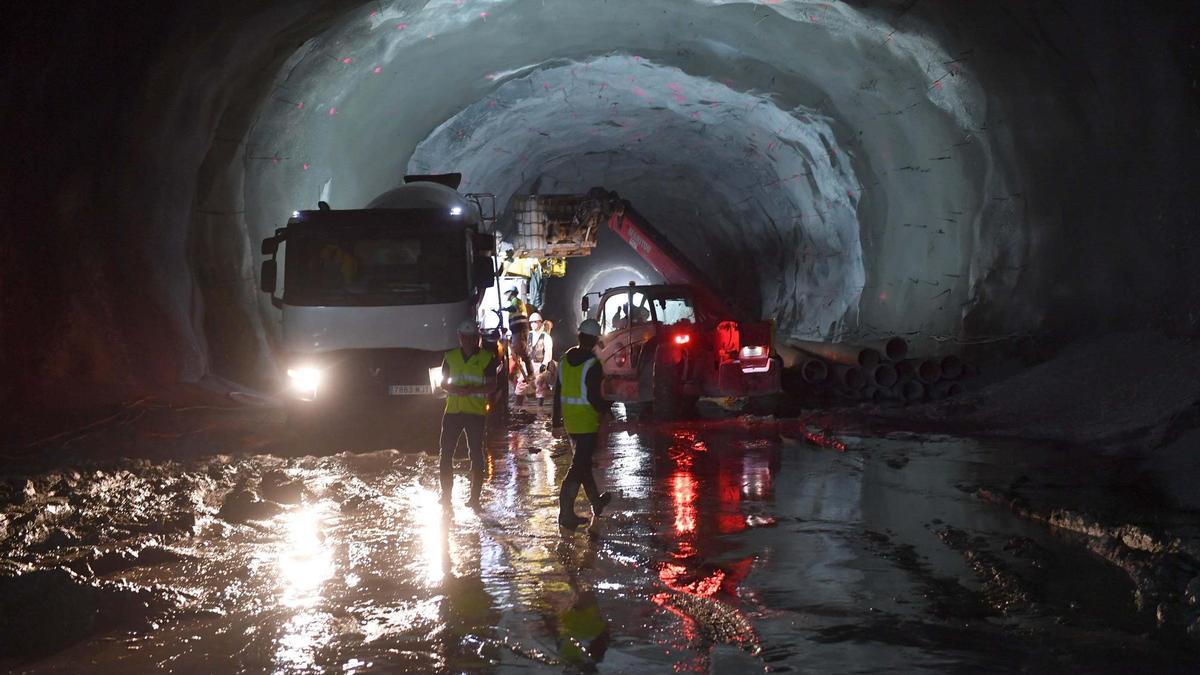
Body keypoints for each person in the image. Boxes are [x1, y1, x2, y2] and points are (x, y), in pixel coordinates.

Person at [552, 319, 613, 529]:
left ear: (579, 336)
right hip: (587, 422)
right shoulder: (593, 364)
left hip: (570, 421)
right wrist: (607, 409)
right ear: (596, 339)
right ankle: (565, 513)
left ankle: (596, 502)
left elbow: (557, 392)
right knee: (577, 468)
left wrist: (555, 422)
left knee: (583, 464)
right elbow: (596, 397)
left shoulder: (564, 360)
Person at [438, 319, 498, 509]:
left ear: (477, 338)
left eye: (471, 338)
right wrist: (455, 389)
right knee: (446, 454)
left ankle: (474, 499)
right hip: (453, 412)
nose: (468, 341)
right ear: (460, 337)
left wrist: (472, 390)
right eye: (464, 338)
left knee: (476, 455)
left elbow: (492, 385)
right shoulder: (450, 356)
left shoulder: (487, 358)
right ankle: (446, 496)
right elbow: (443, 383)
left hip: (475, 413)